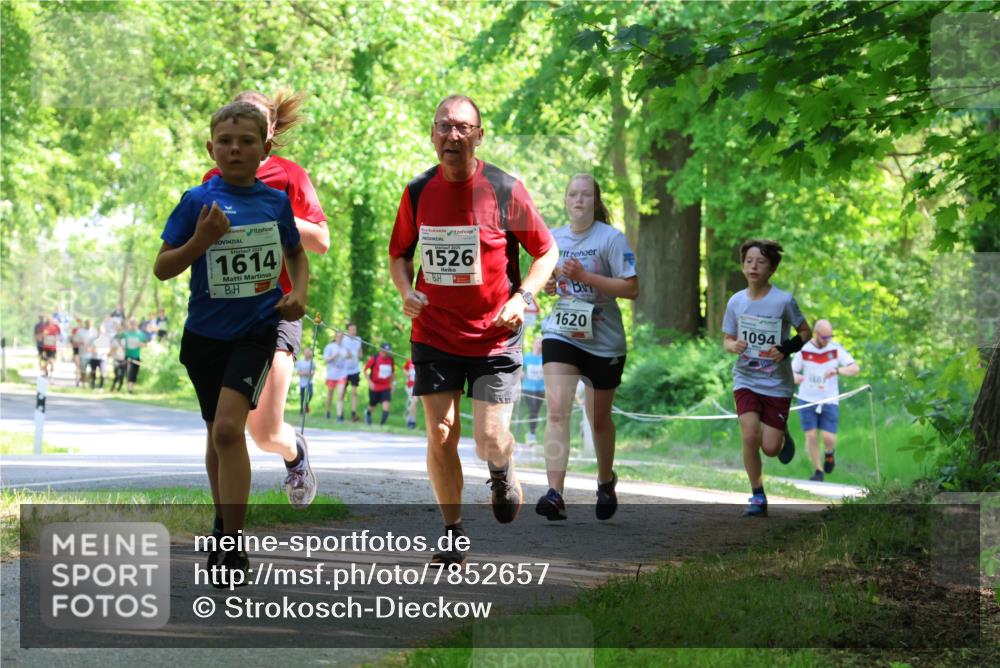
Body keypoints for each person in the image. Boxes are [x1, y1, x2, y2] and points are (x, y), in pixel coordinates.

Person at [388, 94, 558, 565]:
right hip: (435, 332)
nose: (453, 136)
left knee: (487, 439)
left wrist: (522, 298)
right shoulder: (418, 192)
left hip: (494, 335)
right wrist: (406, 291)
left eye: (463, 128)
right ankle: (452, 530)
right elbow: (399, 253)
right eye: (444, 127)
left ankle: (502, 468)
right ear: (432, 135)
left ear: (479, 136)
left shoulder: (504, 190)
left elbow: (546, 252)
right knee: (440, 433)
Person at [154, 100, 308, 582]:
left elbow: (297, 255)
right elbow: (163, 267)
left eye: (245, 142)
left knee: (227, 429)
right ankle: (225, 518)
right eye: (225, 141)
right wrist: (199, 242)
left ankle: (232, 544)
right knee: (214, 433)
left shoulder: (275, 202)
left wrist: (298, 292)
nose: (235, 149)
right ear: (211, 147)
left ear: (264, 150)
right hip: (204, 335)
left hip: (256, 331)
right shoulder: (196, 201)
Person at [203, 89, 327, 509]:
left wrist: (268, 211)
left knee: (264, 431)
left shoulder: (289, 176)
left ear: (268, 132)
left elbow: (321, 242)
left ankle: (295, 452)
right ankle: (226, 528)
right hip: (225, 315)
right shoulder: (212, 181)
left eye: (253, 123)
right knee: (221, 428)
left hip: (276, 310)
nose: (238, 141)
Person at [535, 175, 639, 522]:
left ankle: (606, 481)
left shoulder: (611, 239)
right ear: (565, 201)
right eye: (572, 195)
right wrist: (550, 284)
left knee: (598, 420)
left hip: (603, 340)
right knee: (557, 410)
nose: (578, 200)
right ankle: (555, 494)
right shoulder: (553, 238)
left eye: (585, 195)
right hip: (561, 332)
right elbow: (548, 282)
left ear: (595, 201)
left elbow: (631, 289)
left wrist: (585, 276)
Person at [722, 239, 812, 517]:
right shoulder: (736, 301)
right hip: (746, 379)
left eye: (760, 262)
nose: (753, 267)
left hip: (777, 384)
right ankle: (757, 494)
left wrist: (786, 349)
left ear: (771, 268)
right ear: (742, 265)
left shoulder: (783, 301)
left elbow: (805, 332)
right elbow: (727, 339)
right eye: (749, 261)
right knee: (749, 435)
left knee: (770, 448)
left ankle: (782, 435)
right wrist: (733, 345)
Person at [792, 319, 861, 481]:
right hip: (807, 398)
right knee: (810, 436)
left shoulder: (836, 349)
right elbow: (791, 372)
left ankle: (829, 453)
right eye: (824, 337)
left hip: (829, 399)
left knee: (828, 437)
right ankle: (818, 470)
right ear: (816, 334)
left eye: (829, 337)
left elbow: (855, 368)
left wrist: (837, 371)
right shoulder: (804, 349)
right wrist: (796, 377)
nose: (827, 340)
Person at [520, 337, 544, 446]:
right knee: (533, 408)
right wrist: (520, 374)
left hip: (541, 389)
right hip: (528, 388)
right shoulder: (527, 357)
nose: (539, 345)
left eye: (541, 343)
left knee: (536, 412)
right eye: (538, 342)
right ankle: (532, 435)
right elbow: (519, 369)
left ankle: (531, 433)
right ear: (534, 344)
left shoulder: (544, 359)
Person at [364, 343, 395, 426]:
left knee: (386, 405)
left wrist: (392, 384)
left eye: (388, 352)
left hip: (385, 386)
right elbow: (365, 371)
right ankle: (367, 413)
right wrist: (369, 382)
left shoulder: (390, 360)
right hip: (375, 386)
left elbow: (392, 373)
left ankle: (382, 425)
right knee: (373, 405)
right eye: (385, 352)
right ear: (380, 351)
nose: (386, 354)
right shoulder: (374, 358)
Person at [118, 318, 149, 393]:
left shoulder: (140, 334)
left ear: (136, 325)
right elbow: (119, 340)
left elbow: (145, 344)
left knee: (134, 373)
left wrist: (141, 344)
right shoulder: (125, 334)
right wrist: (122, 347)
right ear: (129, 325)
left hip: (136, 356)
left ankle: (131, 388)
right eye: (131, 324)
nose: (132, 326)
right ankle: (129, 388)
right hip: (127, 356)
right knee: (128, 372)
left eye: (134, 324)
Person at [322, 330, 348, 420]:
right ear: (335, 337)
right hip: (332, 374)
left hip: (342, 374)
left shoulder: (345, 348)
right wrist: (334, 356)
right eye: (338, 336)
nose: (340, 338)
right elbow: (325, 359)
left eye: (342, 337)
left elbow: (350, 359)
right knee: (330, 395)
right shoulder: (330, 347)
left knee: (340, 395)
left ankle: (339, 415)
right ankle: (328, 411)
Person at [341, 322, 363, 422]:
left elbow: (360, 352)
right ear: (348, 330)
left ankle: (353, 414)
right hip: (344, 370)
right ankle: (340, 413)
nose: (353, 331)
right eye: (351, 330)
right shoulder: (344, 339)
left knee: (354, 392)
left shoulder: (358, 340)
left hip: (355, 369)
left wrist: (359, 355)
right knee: (342, 392)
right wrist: (346, 355)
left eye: (354, 329)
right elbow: (341, 352)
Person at [296, 347, 316, 414]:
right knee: (302, 396)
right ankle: (302, 409)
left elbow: (313, 372)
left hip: (309, 382)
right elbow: (298, 372)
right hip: (302, 382)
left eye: (308, 352)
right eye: (306, 352)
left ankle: (306, 404)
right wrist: (304, 373)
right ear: (304, 353)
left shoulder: (312, 362)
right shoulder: (300, 362)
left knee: (311, 394)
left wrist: (310, 373)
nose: (307, 354)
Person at [402, 357, 418, 429]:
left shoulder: (423, 361)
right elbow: (404, 368)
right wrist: (407, 373)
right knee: (415, 401)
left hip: (420, 385)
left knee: (415, 404)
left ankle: (410, 419)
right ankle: (411, 421)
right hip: (411, 385)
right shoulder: (410, 361)